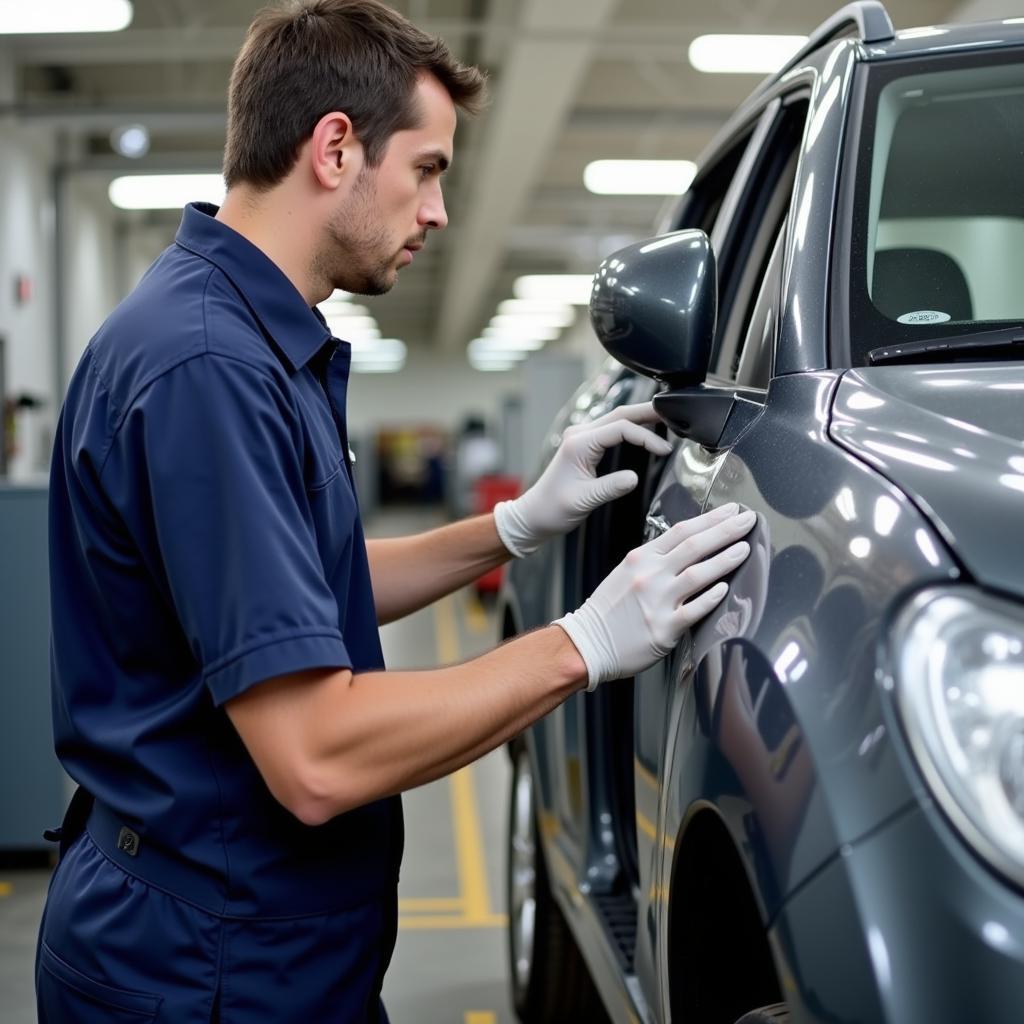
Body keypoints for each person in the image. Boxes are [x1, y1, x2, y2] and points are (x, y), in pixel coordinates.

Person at [36, 1, 755, 1021]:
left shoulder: (235, 337)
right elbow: (316, 758)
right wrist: (583, 643)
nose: (439, 212)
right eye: (426, 169)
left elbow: (296, 590)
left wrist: (512, 528)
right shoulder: (210, 368)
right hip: (203, 973)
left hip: (252, 945)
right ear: (335, 147)